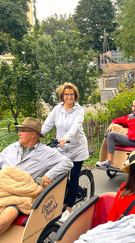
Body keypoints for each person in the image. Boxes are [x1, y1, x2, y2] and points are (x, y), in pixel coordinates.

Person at [41, 82, 89, 223]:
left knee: (73, 177)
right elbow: (47, 125)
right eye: (66, 94)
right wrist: (36, 135)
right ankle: (62, 198)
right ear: (62, 96)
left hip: (77, 148)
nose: (69, 97)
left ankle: (68, 209)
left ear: (75, 96)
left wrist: (66, 138)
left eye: (71, 94)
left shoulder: (79, 110)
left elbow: (75, 127)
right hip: (61, 148)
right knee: (58, 176)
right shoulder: (57, 109)